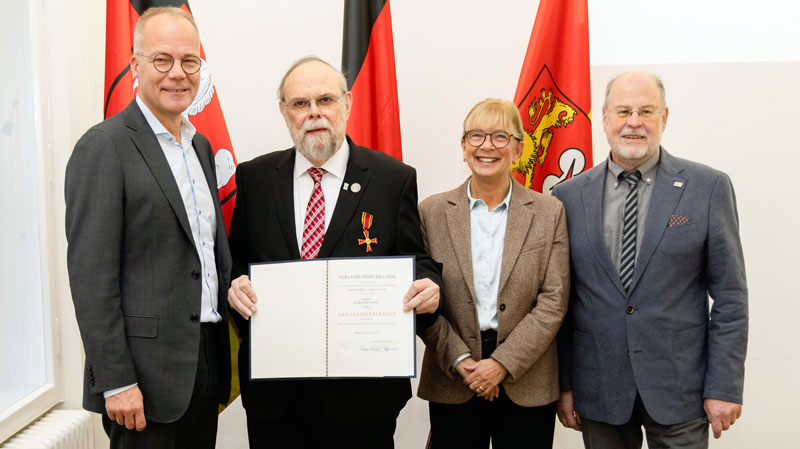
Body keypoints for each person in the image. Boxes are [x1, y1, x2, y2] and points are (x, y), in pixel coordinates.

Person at [225, 56, 442, 449]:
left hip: (362, 400)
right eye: (300, 103)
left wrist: (428, 284)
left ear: (347, 103)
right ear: (284, 111)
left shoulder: (393, 178)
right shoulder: (254, 178)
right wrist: (234, 283)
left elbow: (414, 257)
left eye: (325, 100)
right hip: (276, 397)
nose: (314, 113)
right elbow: (237, 260)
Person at [552, 70, 748, 448]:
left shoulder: (707, 187)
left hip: (681, 389)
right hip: (599, 388)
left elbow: (731, 298)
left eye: (646, 111)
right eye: (623, 111)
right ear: (605, 117)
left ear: (665, 118)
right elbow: (561, 301)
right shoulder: (568, 196)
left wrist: (724, 386)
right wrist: (564, 383)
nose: (634, 122)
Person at [64, 7, 231, 449]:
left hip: (203, 364)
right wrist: (116, 380)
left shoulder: (200, 145)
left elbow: (205, 256)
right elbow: (91, 277)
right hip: (141, 380)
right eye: (162, 60)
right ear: (135, 65)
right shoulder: (104, 147)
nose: (178, 73)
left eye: (189, 61)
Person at [415, 98, 569, 449]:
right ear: (463, 146)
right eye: (476, 136)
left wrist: (502, 363)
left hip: (526, 377)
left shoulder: (549, 212)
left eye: (500, 137)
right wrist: (461, 360)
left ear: (517, 148)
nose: (487, 146)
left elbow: (554, 300)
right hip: (453, 375)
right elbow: (422, 301)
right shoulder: (431, 213)